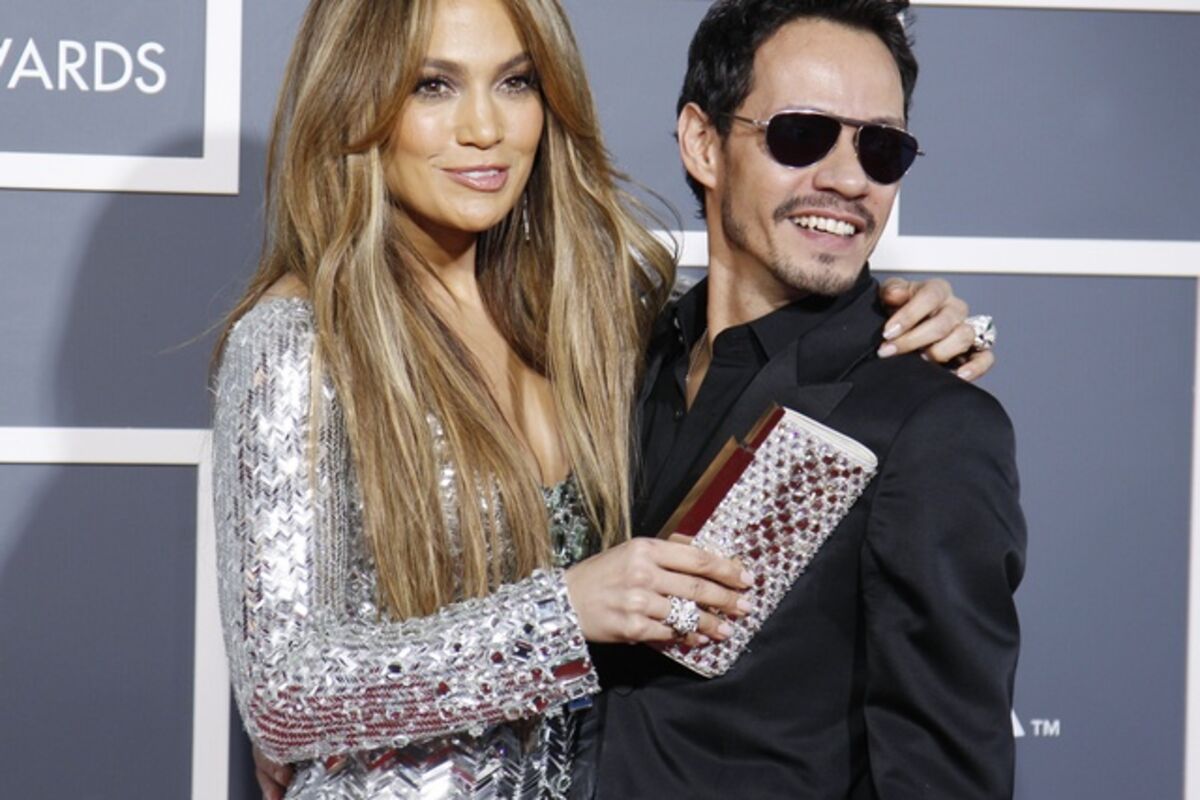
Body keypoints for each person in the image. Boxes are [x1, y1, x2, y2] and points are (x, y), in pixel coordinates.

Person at [213, 0, 990, 798]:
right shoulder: (300, 342)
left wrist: (907, 323)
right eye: (433, 86)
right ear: (356, 102)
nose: (485, 128)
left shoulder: (595, 324)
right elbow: (281, 700)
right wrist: (562, 617)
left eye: (515, 83)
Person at [588, 2, 1025, 798]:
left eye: (882, 148)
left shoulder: (929, 423)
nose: (849, 180)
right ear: (703, 143)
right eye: (801, 134)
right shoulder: (610, 365)